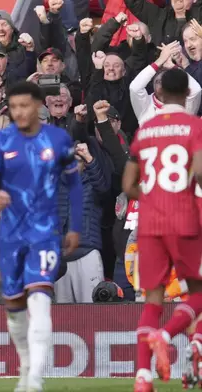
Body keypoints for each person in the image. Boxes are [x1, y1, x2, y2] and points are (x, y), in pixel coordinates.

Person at [0, 81, 83, 391]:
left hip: (45, 232)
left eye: (25, 105)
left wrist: (74, 226)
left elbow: (74, 186)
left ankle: (35, 379)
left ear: (38, 105)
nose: (20, 112)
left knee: (39, 300)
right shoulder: (0, 139)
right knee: (14, 307)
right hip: (10, 235)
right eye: (14, 107)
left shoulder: (58, 139)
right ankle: (25, 362)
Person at [121, 68, 202, 392]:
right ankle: (166, 336)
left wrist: (153, 198)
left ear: (160, 93)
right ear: (186, 94)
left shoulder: (145, 130)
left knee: (151, 301)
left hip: (149, 221)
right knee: (198, 292)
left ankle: (142, 377)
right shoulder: (194, 126)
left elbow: (128, 185)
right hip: (183, 218)